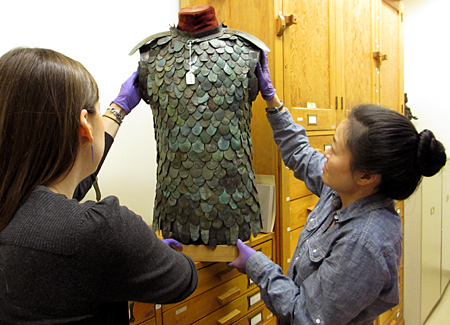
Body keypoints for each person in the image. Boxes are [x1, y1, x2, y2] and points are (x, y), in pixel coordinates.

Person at [228, 52, 447, 324]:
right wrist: (272, 101)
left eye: (336, 149)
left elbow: (306, 316)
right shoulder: (344, 192)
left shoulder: (365, 242)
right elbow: (300, 152)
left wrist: (257, 265)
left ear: (366, 176)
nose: (326, 152)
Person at [0, 47, 197, 324]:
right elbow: (184, 279)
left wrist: (117, 110)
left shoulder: (13, 207)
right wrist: (141, 250)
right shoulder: (103, 229)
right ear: (84, 124)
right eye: (97, 110)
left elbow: (59, 196)